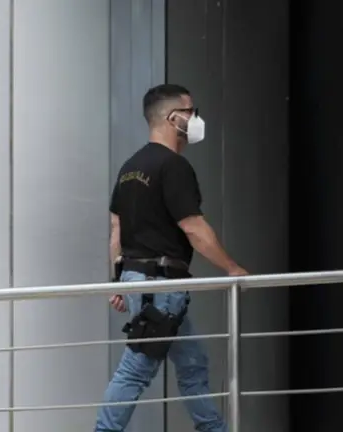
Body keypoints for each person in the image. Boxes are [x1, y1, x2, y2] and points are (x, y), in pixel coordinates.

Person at [94, 84, 248, 432]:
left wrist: (119, 281)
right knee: (136, 370)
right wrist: (232, 268)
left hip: (144, 283)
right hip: (161, 287)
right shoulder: (173, 166)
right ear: (172, 117)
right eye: (192, 112)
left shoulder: (130, 168)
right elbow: (193, 227)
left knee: (193, 362)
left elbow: (117, 231)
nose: (196, 119)